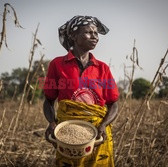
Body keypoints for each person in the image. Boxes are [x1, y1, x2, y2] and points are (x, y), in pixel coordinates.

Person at [43, 15, 119, 167]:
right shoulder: (57, 64)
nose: (94, 36)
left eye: (96, 33)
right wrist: (52, 122)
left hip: (97, 134)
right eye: (89, 32)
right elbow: (49, 100)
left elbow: (114, 104)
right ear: (73, 36)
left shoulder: (102, 68)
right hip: (67, 133)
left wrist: (103, 126)